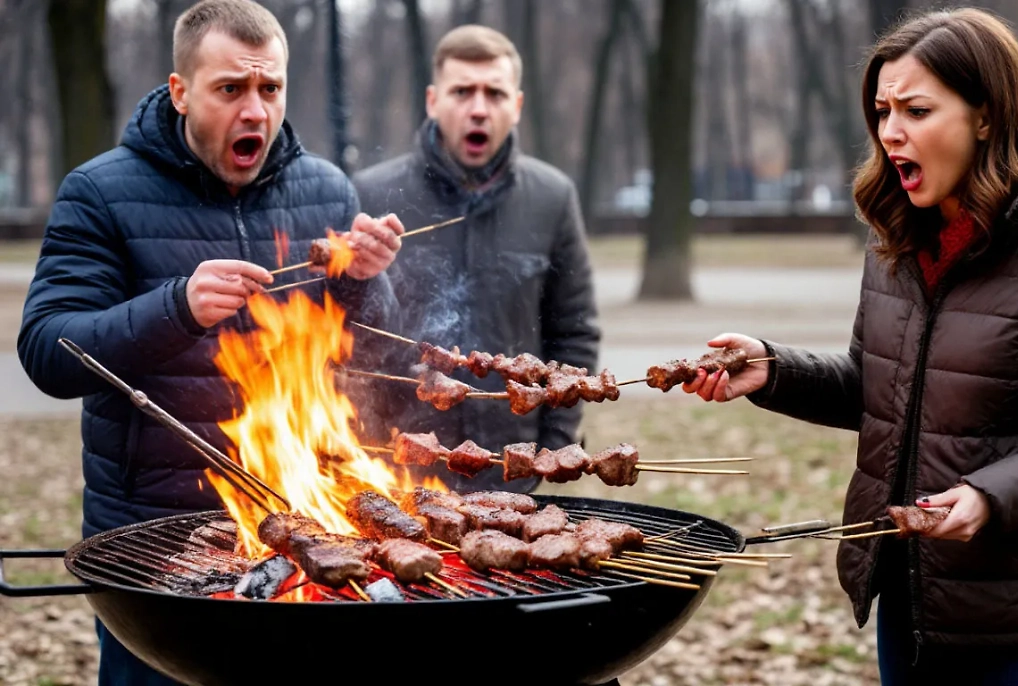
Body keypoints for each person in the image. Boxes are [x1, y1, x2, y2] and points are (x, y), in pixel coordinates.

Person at [682, 8, 1018, 685]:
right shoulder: (898, 243)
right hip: (908, 600)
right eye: (881, 110)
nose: (890, 131)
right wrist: (775, 370)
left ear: (986, 116)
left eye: (916, 109)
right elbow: (881, 391)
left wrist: (990, 497)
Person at [17, 1, 404, 683]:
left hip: (301, 525)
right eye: (231, 89)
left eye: (270, 88)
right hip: (156, 538)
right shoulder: (100, 192)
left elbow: (378, 363)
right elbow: (49, 351)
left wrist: (365, 285)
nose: (254, 111)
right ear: (180, 92)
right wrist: (177, 308)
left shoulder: (325, 189)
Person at [352, 24, 600, 494]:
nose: (479, 108)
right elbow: (348, 332)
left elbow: (574, 333)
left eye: (495, 93)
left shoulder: (552, 197)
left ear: (518, 105)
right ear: (432, 100)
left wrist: (553, 447)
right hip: (395, 472)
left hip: (509, 473)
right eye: (462, 91)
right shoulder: (372, 193)